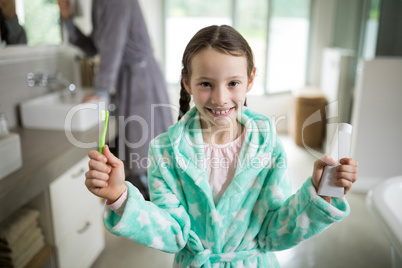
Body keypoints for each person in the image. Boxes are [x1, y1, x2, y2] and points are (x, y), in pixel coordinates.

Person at [85, 25, 358, 267]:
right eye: (206, 83)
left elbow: (275, 232)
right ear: (187, 83)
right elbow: (172, 233)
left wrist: (319, 195)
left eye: (233, 83)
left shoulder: (267, 145)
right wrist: (119, 195)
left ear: (250, 80)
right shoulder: (165, 151)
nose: (220, 98)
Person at [58, 0, 172, 199]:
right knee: (138, 149)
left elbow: (113, 45)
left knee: (146, 151)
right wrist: (67, 18)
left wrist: (101, 90)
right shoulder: (98, 4)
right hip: (126, 81)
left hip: (141, 81)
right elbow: (96, 46)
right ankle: (145, 205)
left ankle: (158, 209)